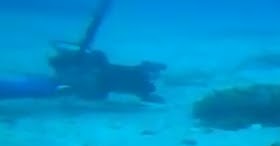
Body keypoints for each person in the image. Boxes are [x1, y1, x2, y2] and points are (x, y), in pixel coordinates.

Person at [0, 45, 164, 103]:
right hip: (92, 78)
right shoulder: (95, 70)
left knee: (46, 86)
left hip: (93, 79)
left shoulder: (96, 70)